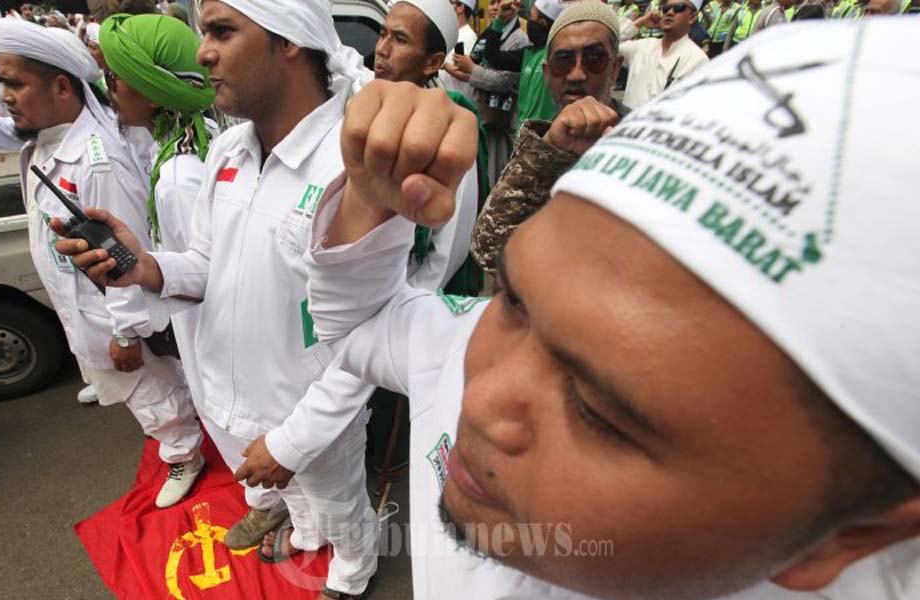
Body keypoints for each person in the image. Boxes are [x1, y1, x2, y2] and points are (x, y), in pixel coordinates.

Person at [300, 17, 920, 600]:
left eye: (599, 412)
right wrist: (369, 197)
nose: (476, 397)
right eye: (515, 299)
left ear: (847, 536)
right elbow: (359, 326)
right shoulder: (481, 347)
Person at [54, 1, 379, 597]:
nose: (202, 52)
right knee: (297, 500)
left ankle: (354, 571)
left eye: (222, 32)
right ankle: (305, 535)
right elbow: (206, 265)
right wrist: (144, 266)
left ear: (288, 43)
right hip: (244, 399)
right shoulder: (229, 152)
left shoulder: (352, 167)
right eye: (205, 32)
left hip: (314, 416)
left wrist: (292, 442)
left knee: (339, 506)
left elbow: (369, 341)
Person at [0, 0, 204, 508]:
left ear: (63, 88)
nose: (3, 97)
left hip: (111, 307)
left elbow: (126, 252)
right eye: (3, 84)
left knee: (149, 388)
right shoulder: (49, 135)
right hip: (81, 302)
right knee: (132, 386)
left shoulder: (97, 158)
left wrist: (124, 330)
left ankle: (185, 452)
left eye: (15, 85)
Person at [94, 12, 217, 499]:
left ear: (148, 90)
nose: (108, 90)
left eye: (114, 78)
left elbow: (204, 277)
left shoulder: (179, 174)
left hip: (203, 322)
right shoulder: (180, 138)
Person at [471, 0, 625, 274]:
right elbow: (489, 251)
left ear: (615, 67)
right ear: (546, 73)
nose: (577, 74)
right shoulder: (540, 144)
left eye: (593, 59)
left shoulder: (643, 142)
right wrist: (549, 153)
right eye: (563, 61)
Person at [373, 0, 480, 292]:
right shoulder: (361, 108)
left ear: (432, 63)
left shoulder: (450, 134)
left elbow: (444, 257)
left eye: (400, 39)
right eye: (383, 34)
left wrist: (395, 315)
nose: (382, 49)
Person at [447, 0, 529, 187]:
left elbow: (504, 81)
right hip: (482, 115)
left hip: (498, 119)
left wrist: (472, 69)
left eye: (501, 3)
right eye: (492, 3)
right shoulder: (491, 32)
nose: (495, 8)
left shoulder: (518, 38)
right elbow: (479, 64)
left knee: (493, 176)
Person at [479, 0, 564, 128]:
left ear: (543, 22)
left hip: (548, 137)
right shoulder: (527, 54)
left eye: (531, 17)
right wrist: (499, 19)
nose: (529, 22)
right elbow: (493, 57)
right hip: (523, 134)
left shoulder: (559, 57)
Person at [620, 0, 709, 110]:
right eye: (666, 8)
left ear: (692, 17)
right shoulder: (643, 46)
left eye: (679, 8)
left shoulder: (697, 60)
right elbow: (610, 45)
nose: (670, 12)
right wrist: (639, 23)